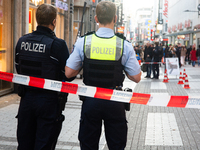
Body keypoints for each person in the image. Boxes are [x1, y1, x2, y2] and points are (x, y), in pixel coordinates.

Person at [65, 1, 141, 149]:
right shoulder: (123, 45)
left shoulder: (84, 41)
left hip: (91, 100)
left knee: (88, 145)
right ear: (115, 18)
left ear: (96, 18)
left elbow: (68, 73)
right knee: (116, 145)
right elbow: (136, 77)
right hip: (115, 100)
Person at [15, 4, 74, 150]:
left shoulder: (22, 41)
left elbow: (19, 68)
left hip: (26, 100)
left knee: (24, 144)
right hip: (49, 102)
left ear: (37, 19)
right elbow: (68, 75)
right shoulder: (58, 45)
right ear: (54, 21)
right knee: (44, 145)